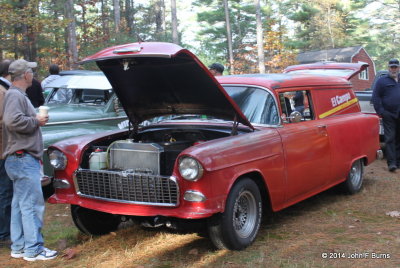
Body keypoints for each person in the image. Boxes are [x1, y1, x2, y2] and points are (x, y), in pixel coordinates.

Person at [2, 59, 57, 261]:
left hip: (17, 158)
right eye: (31, 72)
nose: (33, 75)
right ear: (25, 75)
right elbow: (12, 120)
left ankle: (19, 246)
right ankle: (34, 249)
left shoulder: (14, 95)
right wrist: (36, 120)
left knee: (19, 204)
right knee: (32, 205)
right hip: (22, 158)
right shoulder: (15, 95)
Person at [372, 58, 400, 172]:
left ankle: (398, 162)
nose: (393, 69)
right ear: (388, 68)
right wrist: (381, 112)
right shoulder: (382, 81)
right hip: (388, 114)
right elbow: (375, 97)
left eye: (395, 67)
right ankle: (392, 163)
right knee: (390, 139)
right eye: (391, 67)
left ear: (399, 68)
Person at [0, 59, 13, 247]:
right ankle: (4, 232)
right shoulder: (3, 92)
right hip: (3, 150)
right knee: (5, 192)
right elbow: (5, 121)